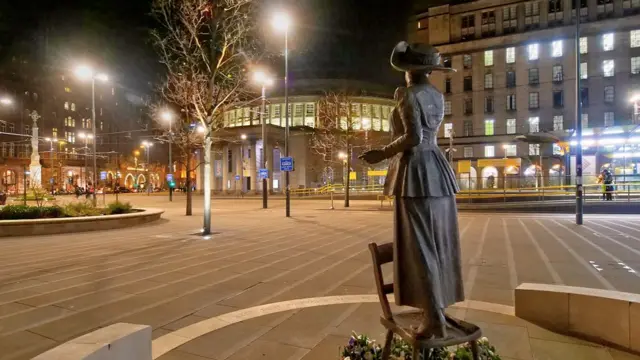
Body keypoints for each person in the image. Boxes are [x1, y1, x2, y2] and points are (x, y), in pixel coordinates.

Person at [360, 42, 462, 339]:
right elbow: (425, 135)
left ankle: (433, 319)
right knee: (438, 242)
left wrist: (381, 153)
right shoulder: (436, 96)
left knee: (420, 247)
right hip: (437, 171)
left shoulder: (408, 94)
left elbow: (413, 137)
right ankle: (437, 309)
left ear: (410, 71)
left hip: (415, 173)